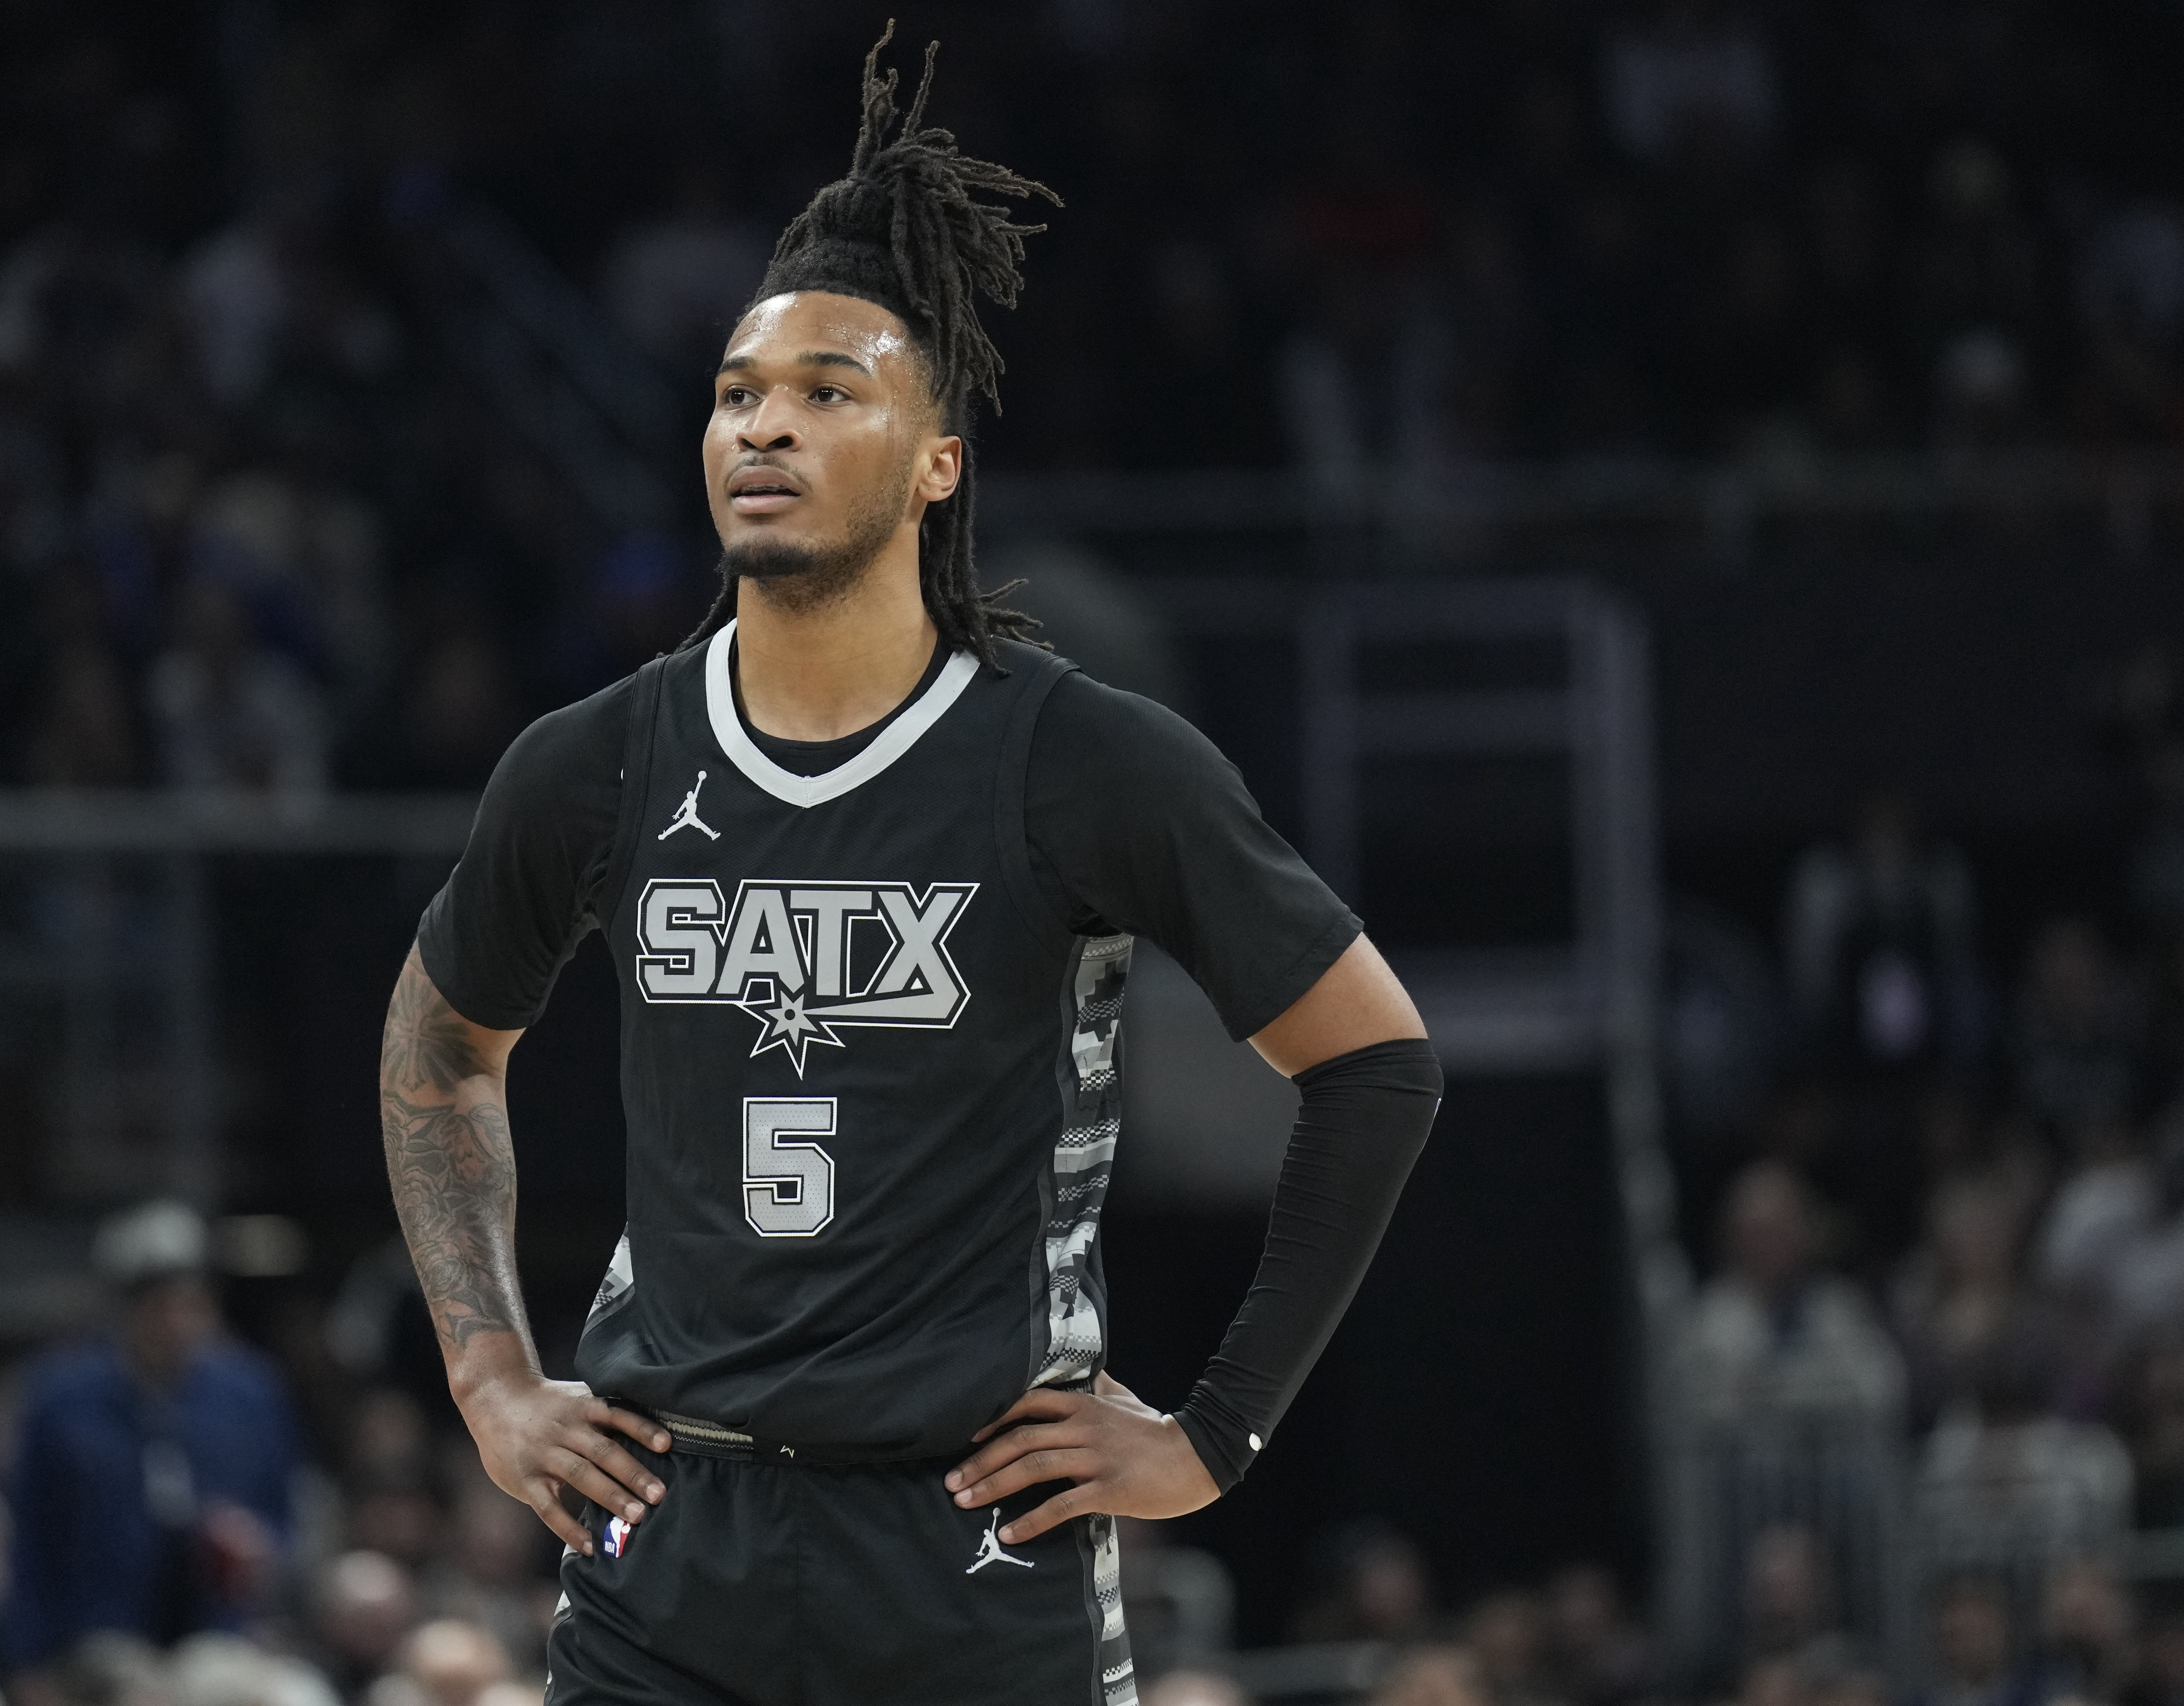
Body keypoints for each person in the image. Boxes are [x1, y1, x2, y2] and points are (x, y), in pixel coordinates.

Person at [382, 26, 1440, 1706]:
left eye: (827, 392)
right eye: (737, 393)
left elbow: (1374, 1061)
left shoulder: (1080, 756)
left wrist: (1214, 1432)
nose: (763, 426)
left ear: (938, 462)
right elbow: (438, 1047)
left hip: (963, 1547)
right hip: (672, 1541)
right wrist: (492, 1377)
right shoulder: (599, 759)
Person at [0, 1203, 303, 1682]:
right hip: (95, 1635)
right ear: (123, 1309)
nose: (173, 1322)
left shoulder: (250, 1396)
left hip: (224, 1628)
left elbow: (285, 1516)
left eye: (187, 1302)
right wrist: (29, 1660)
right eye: (156, 1304)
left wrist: (261, 1552)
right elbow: (30, 1538)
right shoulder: (60, 1400)